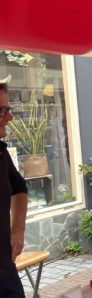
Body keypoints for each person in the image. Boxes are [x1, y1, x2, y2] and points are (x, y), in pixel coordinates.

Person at [0, 83, 27, 297]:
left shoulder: (0, 153)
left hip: (5, 271)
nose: (9, 117)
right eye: (2, 110)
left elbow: (19, 186)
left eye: (8, 110)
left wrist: (18, 230)